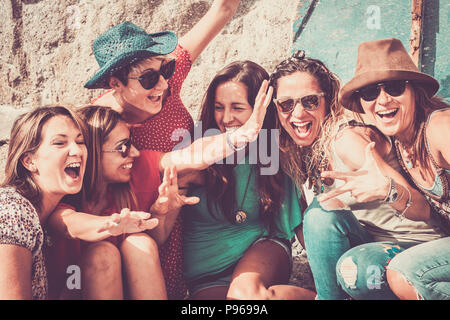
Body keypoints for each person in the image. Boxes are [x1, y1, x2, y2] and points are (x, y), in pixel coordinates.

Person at [84, 0, 241, 299]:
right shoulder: (97, 126)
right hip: (135, 224)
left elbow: (222, 9)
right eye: (147, 78)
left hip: (182, 214)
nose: (161, 84)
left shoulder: (165, 79)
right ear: (115, 83)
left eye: (164, 68)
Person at [268, 49, 445, 299]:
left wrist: (388, 189)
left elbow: (421, 208)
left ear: (327, 101)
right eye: (286, 104)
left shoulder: (345, 140)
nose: (297, 114)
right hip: (373, 246)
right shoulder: (295, 153)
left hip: (418, 250)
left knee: (356, 267)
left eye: (310, 101)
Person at [48, 100, 269, 299]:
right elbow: (69, 223)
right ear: (94, 153)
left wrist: (238, 137)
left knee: (139, 242)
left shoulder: (137, 170)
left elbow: (192, 155)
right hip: (71, 289)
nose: (134, 152)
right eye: (122, 147)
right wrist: (111, 225)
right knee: (102, 253)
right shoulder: (65, 189)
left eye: (131, 142)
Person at [181, 61, 315, 300]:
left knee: (246, 296)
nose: (226, 118)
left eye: (237, 108)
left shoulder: (272, 152)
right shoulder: (199, 153)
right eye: (219, 107)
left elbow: (298, 224)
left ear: (258, 110)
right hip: (207, 272)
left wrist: (334, 272)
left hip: (262, 248)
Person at [337, 38, 450, 300]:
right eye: (370, 93)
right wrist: (389, 190)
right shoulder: (400, 143)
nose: (383, 100)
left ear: (415, 91)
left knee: (406, 269)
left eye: (395, 87)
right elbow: (422, 210)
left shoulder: (440, 127)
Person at [0, 106, 87, 299]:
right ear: (29, 161)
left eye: (80, 141)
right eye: (59, 143)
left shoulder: (40, 218)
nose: (77, 150)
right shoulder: (12, 210)